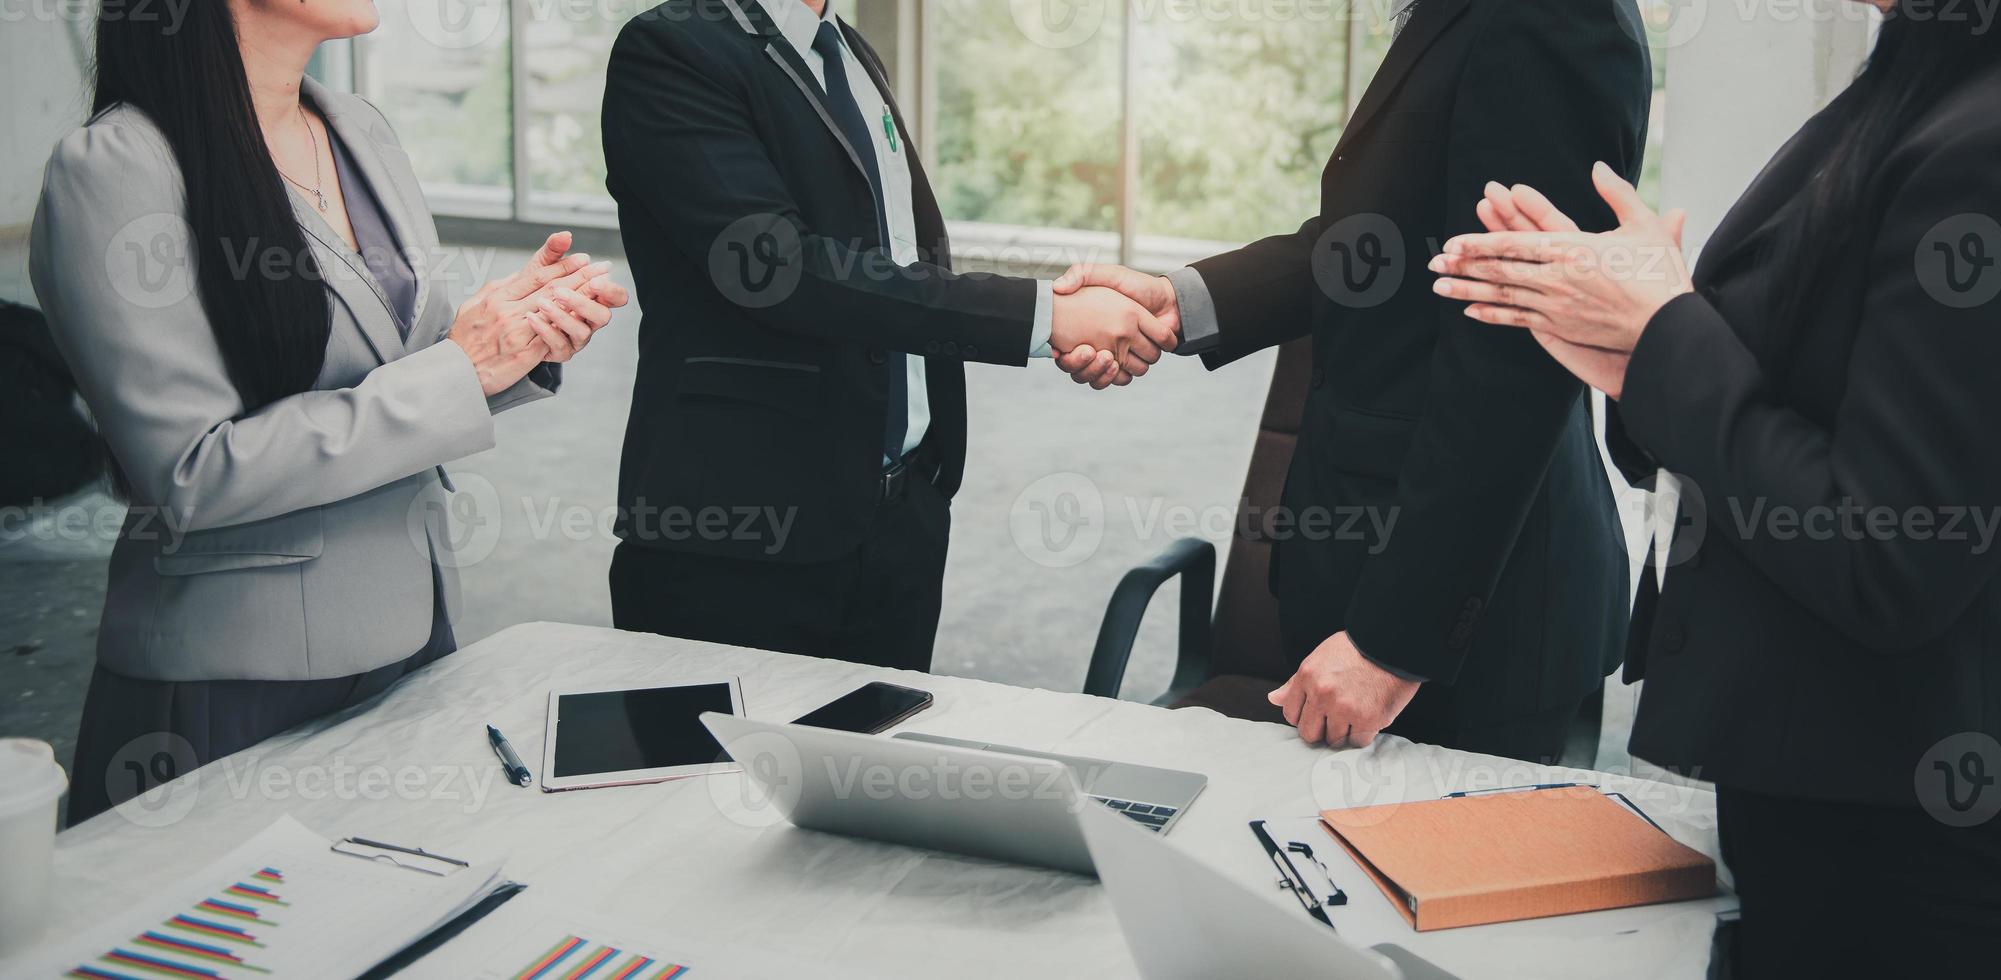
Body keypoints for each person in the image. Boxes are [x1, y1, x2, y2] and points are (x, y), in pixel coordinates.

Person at [1430, 0, 2001, 973]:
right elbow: (1804, 405)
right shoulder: (1927, 89)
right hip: (1826, 800)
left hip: (1909, 849)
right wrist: (1627, 348)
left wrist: (1660, 333)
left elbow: (1885, 554)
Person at [32, 0, 628, 824]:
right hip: (234, 679)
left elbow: (406, 366)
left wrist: (510, 347)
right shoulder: (115, 168)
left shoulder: (357, 128)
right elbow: (192, 474)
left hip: (414, 643)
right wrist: (461, 368)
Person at [1052, 0, 1651, 760]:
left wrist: (1393, 647)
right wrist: (1180, 301)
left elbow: (1513, 355)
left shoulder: (1553, 17)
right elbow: (1385, 246)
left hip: (1469, 621)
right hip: (1370, 561)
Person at [600, 0, 1174, 671]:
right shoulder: (672, 49)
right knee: (721, 773)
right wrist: (1043, 317)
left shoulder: (846, 50)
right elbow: (781, 269)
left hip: (899, 518)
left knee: (877, 766)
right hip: (748, 532)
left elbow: (895, 265)